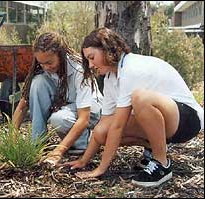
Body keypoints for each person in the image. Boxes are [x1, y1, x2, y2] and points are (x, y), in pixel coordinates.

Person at [63, 27, 204, 187]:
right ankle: (153, 148)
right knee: (102, 133)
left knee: (139, 98)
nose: (90, 64)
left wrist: (100, 169)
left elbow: (118, 126)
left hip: (187, 120)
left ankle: (162, 164)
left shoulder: (131, 69)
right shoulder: (110, 78)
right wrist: (83, 161)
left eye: (92, 57)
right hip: (167, 122)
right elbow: (103, 126)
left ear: (108, 50)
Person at [12, 32, 103, 166]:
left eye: (49, 62)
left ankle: (88, 141)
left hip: (90, 112)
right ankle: (38, 142)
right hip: (67, 108)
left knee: (59, 119)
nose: (46, 67)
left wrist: (58, 151)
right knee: (37, 82)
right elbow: (22, 106)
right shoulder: (43, 70)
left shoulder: (79, 69)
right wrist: (11, 139)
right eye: (41, 63)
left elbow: (84, 118)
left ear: (60, 55)